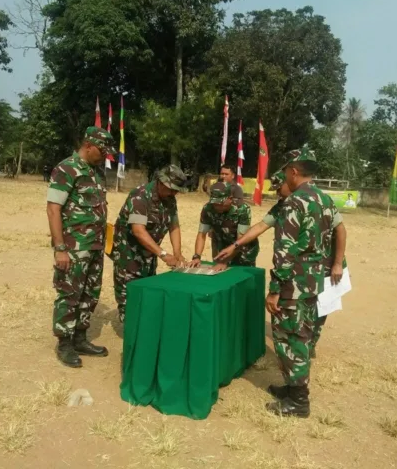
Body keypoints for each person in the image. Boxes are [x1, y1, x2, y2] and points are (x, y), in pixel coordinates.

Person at [216, 150, 348, 359]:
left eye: (281, 187)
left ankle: (305, 351)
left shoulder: (310, 200)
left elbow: (340, 230)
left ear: (292, 176)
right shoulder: (284, 205)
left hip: (326, 263)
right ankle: (304, 349)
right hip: (305, 267)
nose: (278, 193)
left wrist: (338, 263)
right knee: (305, 313)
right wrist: (235, 244)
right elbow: (261, 225)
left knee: (317, 311)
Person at [264, 149, 330, 418]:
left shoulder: (295, 202)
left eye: (285, 172)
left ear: (293, 171)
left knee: (292, 339)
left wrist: (275, 289)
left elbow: (285, 250)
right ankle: (292, 389)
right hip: (312, 281)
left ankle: (299, 402)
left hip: (294, 283)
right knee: (300, 334)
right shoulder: (323, 198)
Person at [46, 126, 117, 368]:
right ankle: (64, 344)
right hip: (73, 247)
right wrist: (60, 248)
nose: (105, 156)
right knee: (69, 293)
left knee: (90, 293)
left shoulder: (96, 172)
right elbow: (53, 209)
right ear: (88, 145)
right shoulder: (67, 168)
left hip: (95, 245)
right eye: (102, 151)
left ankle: (80, 338)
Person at [111, 164, 188, 322]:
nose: (174, 193)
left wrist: (178, 253)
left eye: (176, 190)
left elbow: (174, 226)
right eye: (171, 189)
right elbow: (139, 231)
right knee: (130, 301)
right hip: (129, 256)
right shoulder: (140, 196)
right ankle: (132, 340)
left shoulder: (169, 199)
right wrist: (164, 254)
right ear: (160, 182)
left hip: (148, 256)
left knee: (147, 297)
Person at [189, 181, 259, 270]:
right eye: (215, 204)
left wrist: (225, 261)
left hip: (243, 251)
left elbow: (241, 240)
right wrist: (196, 257)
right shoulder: (208, 208)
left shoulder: (242, 209)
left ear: (230, 198)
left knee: (241, 277)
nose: (217, 207)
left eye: (221, 203)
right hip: (223, 248)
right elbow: (202, 234)